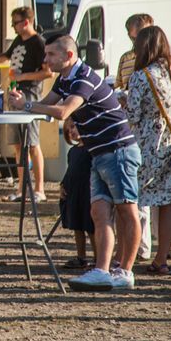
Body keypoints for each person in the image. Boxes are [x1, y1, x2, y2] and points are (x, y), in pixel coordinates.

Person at [10, 34, 141, 291]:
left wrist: (27, 105)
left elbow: (62, 111)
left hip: (118, 150)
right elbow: (46, 104)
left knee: (127, 211)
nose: (45, 60)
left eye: (50, 56)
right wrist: (24, 104)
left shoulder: (84, 78)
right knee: (99, 213)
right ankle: (102, 270)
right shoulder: (65, 77)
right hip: (98, 152)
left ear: (69, 56)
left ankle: (125, 271)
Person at [125, 25, 171, 275]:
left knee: (127, 200)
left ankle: (125, 259)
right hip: (169, 144)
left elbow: (132, 114)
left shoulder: (141, 76)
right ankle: (161, 259)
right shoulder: (169, 72)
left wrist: (122, 101)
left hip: (146, 146)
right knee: (166, 204)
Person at [0, 7, 50, 202]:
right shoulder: (19, 40)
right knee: (18, 144)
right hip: (15, 93)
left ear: (26, 22)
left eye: (15, 23)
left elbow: (47, 72)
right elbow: (6, 56)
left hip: (30, 95)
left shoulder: (38, 43)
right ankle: (21, 188)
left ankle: (40, 188)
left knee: (32, 142)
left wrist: (23, 76)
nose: (13, 27)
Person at [116, 13, 155, 261]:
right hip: (136, 129)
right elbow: (121, 85)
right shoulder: (127, 59)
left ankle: (143, 247)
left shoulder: (153, 66)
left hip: (146, 133)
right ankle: (143, 247)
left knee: (143, 193)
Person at [58, 116, 97, 270]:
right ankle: (81, 257)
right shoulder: (73, 151)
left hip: (88, 193)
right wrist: (62, 185)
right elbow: (70, 171)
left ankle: (98, 257)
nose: (72, 131)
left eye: (74, 127)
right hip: (74, 193)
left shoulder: (91, 151)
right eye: (69, 130)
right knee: (77, 226)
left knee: (91, 227)